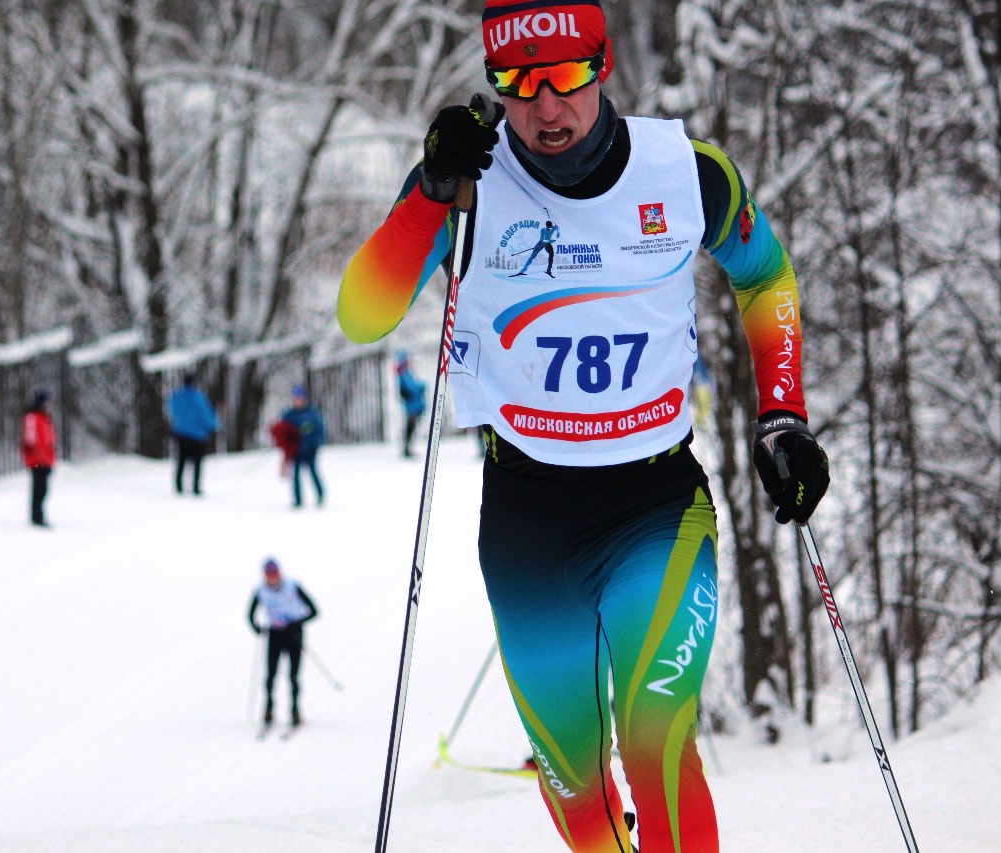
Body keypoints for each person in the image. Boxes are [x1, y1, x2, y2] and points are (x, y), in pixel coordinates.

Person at [336, 2, 831, 851]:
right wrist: (427, 193)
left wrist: (781, 414)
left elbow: (766, 275)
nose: (545, 108)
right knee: (573, 783)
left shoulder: (687, 174)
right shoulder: (468, 180)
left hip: (656, 505)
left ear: (601, 67)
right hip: (529, 517)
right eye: (518, 84)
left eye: (564, 77)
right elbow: (361, 315)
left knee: (657, 742)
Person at [247, 558, 318, 728]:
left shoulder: (292, 586)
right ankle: (268, 711)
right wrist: (257, 628)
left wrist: (297, 622)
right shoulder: (261, 591)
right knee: (271, 675)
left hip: (293, 635)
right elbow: (250, 614)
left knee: (293, 676)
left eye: (274, 574)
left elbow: (313, 611)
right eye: (268, 575)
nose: (272, 578)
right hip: (275, 635)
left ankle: (295, 711)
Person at [166, 372, 218, 496]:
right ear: (194, 383)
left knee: (182, 459)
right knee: (197, 461)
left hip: (181, 433)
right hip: (197, 435)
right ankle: (195, 487)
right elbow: (206, 414)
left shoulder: (176, 396)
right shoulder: (198, 398)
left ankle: (178, 485)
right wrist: (214, 425)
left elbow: (171, 410)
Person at [274, 385, 326, 508]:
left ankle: (320, 494)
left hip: (310, 449)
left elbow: (319, 430)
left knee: (312, 471)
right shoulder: (288, 414)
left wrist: (315, 444)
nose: (298, 400)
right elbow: (283, 431)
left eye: (301, 398)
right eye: (296, 398)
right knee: (295, 474)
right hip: (296, 450)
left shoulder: (312, 413)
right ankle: (297, 499)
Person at [21, 388, 56, 527]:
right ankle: (37, 517)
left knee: (43, 488)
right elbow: (31, 441)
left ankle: (39, 515)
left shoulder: (44, 418)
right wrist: (42, 458)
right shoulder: (33, 417)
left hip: (44, 459)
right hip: (36, 461)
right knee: (39, 487)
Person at [395, 351, 427, 458]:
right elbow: (411, 388)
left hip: (414, 404)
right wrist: (421, 387)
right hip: (413, 405)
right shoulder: (404, 374)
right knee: (410, 427)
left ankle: (407, 447)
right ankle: (407, 448)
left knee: (411, 427)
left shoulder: (406, 373)